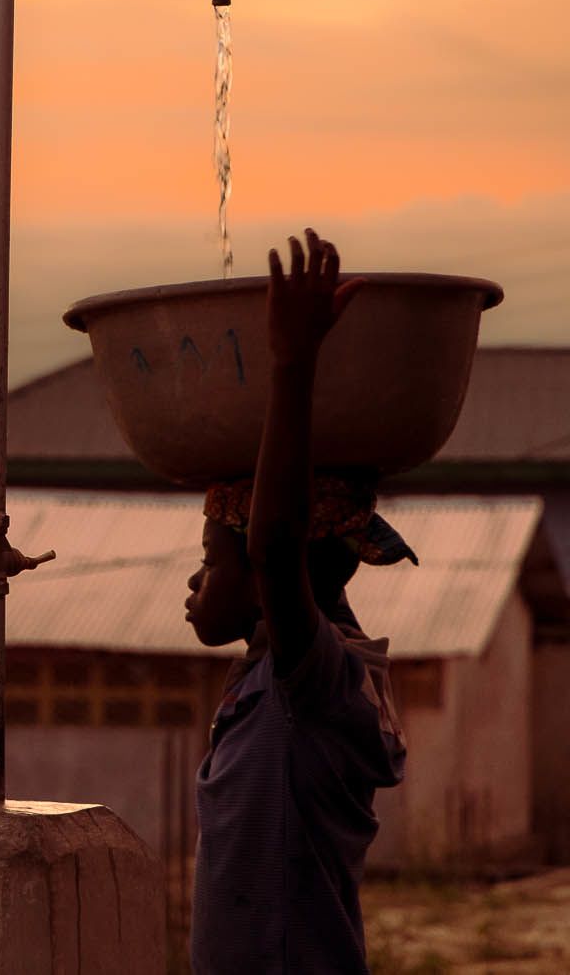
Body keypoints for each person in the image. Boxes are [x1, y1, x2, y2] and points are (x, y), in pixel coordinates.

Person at [185, 228, 414, 974]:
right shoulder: (275, 682)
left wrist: (293, 362)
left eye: (210, 562)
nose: (193, 585)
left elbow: (277, 544)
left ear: (262, 574)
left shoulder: (313, 681)